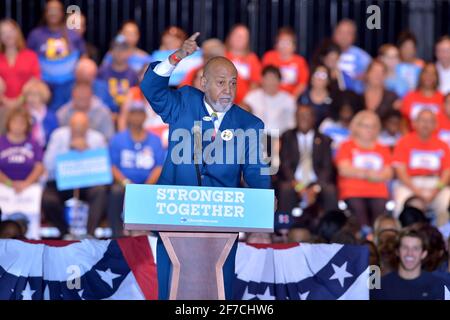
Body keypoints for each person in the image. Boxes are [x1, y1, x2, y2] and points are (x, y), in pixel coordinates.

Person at [140, 32, 271, 300]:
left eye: (233, 83)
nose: (228, 90)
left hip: (221, 220)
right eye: (221, 82)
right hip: (175, 215)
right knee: (171, 288)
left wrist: (264, 205)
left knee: (218, 288)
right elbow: (150, 88)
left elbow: (258, 175)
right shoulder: (184, 102)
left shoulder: (250, 125)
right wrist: (177, 57)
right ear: (203, 82)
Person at [42, 112, 107, 238]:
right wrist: (68, 149)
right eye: (75, 127)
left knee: (100, 192)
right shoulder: (58, 135)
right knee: (48, 199)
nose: (78, 131)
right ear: (69, 126)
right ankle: (65, 232)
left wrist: (88, 151)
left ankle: (90, 233)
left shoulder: (97, 138)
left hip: (88, 183)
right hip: (60, 182)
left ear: (87, 126)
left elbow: (103, 167)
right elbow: (48, 164)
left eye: (82, 127)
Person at [108, 103, 165, 238]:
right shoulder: (118, 139)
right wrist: (127, 183)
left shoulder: (155, 140)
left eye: (140, 114)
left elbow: (159, 166)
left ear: (145, 116)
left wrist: (146, 186)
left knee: (160, 191)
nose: (136, 117)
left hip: (149, 183)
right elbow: (113, 166)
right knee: (115, 192)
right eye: (133, 113)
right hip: (124, 184)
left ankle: (155, 234)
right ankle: (117, 235)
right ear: (128, 116)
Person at [277, 104, 338, 217]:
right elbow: (285, 166)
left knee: (330, 190)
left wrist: (315, 188)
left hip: (316, 182)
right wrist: (300, 187)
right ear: (295, 118)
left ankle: (332, 228)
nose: (303, 119)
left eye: (307, 115)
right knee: (285, 189)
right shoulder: (287, 136)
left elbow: (327, 167)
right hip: (295, 181)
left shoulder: (324, 139)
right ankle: (284, 227)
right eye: (300, 115)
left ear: (314, 118)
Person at [335, 110, 393, 228]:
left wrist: (360, 173)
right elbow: (344, 169)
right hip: (352, 190)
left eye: (373, 126)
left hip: (378, 191)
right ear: (356, 126)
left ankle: (375, 236)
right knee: (358, 211)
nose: (369, 130)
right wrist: (369, 174)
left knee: (379, 212)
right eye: (365, 126)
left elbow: (388, 172)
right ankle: (364, 235)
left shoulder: (383, 148)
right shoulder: (346, 146)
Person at [393, 109, 450, 227]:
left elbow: (447, 171)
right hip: (410, 183)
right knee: (400, 203)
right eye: (422, 120)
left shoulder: (442, 145)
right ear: (414, 123)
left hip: (436, 184)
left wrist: (436, 190)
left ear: (435, 125)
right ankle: (402, 236)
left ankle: (442, 237)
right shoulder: (404, 142)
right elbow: (400, 171)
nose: (426, 124)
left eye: (430, 121)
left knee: (446, 202)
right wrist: (417, 191)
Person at [27, 0, 85, 111]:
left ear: (62, 13)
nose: (53, 13)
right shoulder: (35, 35)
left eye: (56, 10)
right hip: (44, 85)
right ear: (45, 13)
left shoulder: (73, 34)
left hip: (69, 84)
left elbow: (83, 58)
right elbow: (28, 59)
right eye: (50, 10)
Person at [371, 228, 447, 300]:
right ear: (397, 251)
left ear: (424, 253)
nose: (410, 253)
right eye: (405, 247)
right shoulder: (380, 287)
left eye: (415, 248)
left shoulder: (438, 286)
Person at [243, 65, 296, 138]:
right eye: (268, 78)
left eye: (274, 78)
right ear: (262, 80)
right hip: (256, 138)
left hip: (280, 139)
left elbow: (291, 124)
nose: (271, 82)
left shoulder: (288, 99)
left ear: (280, 81)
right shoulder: (251, 97)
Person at [0, 107, 44, 194]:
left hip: (29, 187)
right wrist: (9, 184)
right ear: (8, 123)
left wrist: (26, 183)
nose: (18, 126)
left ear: (27, 125)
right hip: (3, 187)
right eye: (15, 122)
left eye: (21, 123)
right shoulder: (1, 142)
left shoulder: (34, 143)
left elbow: (39, 167)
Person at [0, 19, 40, 109]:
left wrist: (19, 101)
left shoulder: (31, 56)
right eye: (3, 32)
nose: (8, 35)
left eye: (11, 31)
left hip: (27, 105)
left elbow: (35, 81)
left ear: (17, 32)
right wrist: (3, 101)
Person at [262, 27, 309, 99]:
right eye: (282, 42)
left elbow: (302, 84)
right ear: (276, 44)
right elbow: (263, 78)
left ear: (294, 46)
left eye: (288, 43)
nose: (284, 46)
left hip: (291, 97)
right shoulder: (269, 57)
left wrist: (292, 98)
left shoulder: (300, 61)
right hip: (269, 95)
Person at [98, 34, 139, 114]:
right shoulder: (102, 71)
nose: (119, 52)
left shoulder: (133, 74)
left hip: (127, 115)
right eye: (116, 49)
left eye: (123, 49)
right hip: (105, 114)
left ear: (129, 52)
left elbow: (136, 100)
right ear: (111, 52)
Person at [332, 19, 372, 94]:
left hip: (357, 98)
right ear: (334, 34)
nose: (344, 36)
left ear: (354, 36)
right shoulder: (325, 54)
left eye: (348, 33)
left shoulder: (363, 57)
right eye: (341, 32)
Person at [401, 63, 444, 131]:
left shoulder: (442, 98)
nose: (429, 76)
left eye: (433, 74)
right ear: (421, 75)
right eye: (426, 72)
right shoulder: (410, 96)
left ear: (437, 78)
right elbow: (403, 122)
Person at [225, 24, 261, 104]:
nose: (239, 39)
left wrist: (246, 102)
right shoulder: (221, 55)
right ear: (230, 37)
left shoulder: (252, 58)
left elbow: (255, 83)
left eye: (243, 37)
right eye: (237, 35)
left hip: (245, 104)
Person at [22, 78, 58, 148]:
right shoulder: (22, 113)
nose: (31, 99)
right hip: (26, 148)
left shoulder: (51, 115)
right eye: (28, 95)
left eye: (35, 95)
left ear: (43, 96)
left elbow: (54, 135)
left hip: (47, 147)